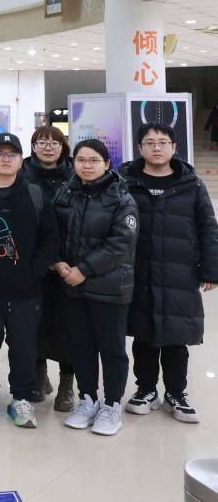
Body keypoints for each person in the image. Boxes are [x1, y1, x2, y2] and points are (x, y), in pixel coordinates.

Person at [119, 122, 218, 424]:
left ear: (174, 147)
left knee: (177, 336)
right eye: (149, 142)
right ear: (140, 148)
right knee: (143, 333)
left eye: (163, 142)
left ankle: (176, 393)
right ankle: (146, 390)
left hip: (180, 273)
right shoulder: (125, 182)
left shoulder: (192, 185)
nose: (157, 147)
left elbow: (208, 229)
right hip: (139, 272)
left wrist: (211, 270)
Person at [0, 133, 60, 429]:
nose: (6, 159)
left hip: (26, 290)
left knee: (24, 348)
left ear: (21, 159)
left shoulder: (34, 195)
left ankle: (21, 398)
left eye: (12, 154)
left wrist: (34, 273)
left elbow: (50, 239)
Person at [53, 139, 137, 436]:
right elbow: (50, 231)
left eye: (93, 160)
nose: (86, 166)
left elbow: (121, 244)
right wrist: (58, 262)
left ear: (106, 164)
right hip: (71, 285)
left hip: (109, 287)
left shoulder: (121, 198)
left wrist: (83, 270)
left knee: (111, 348)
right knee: (80, 345)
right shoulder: (65, 193)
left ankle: (112, 405)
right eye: (80, 160)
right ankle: (87, 399)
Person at [21, 125, 77, 410]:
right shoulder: (21, 174)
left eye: (54, 143)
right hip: (35, 261)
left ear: (63, 147)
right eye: (41, 142)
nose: (47, 147)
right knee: (35, 322)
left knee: (70, 326)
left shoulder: (76, 175)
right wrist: (50, 258)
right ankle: (38, 374)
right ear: (33, 147)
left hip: (73, 263)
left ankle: (67, 385)